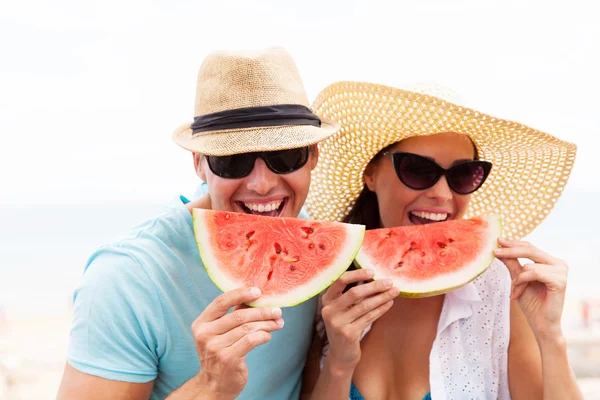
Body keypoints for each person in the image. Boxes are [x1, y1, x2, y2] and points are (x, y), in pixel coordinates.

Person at [56, 47, 341, 400]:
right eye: (233, 161)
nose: (262, 183)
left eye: (286, 156)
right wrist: (209, 386)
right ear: (199, 164)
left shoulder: (317, 244)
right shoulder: (125, 279)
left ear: (312, 157)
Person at [301, 81, 583, 399]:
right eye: (418, 170)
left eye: (464, 175)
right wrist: (339, 361)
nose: (442, 194)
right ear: (372, 174)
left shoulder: (501, 291)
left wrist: (550, 334)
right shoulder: (333, 290)